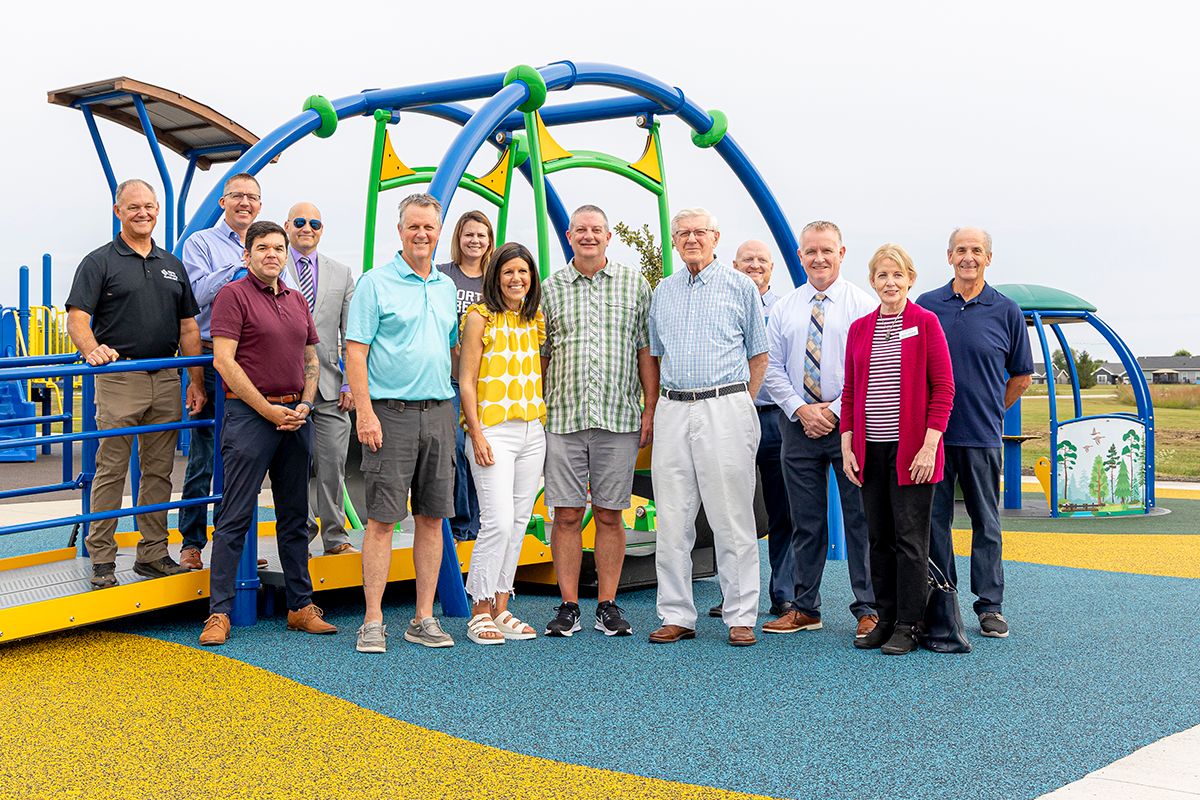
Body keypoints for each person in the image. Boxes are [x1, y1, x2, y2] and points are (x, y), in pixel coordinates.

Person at [198, 220, 337, 645]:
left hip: (296, 415)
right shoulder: (232, 296)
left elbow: (310, 356)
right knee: (234, 515)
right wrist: (268, 410)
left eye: (279, 248)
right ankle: (218, 613)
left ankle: (299, 605)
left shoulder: (296, 300)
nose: (272, 254)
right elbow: (224, 360)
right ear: (247, 254)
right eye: (263, 248)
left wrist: (305, 405)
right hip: (250, 416)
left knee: (295, 517)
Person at [65, 179, 205, 589]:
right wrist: (91, 349)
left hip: (166, 376)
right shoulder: (100, 261)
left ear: (158, 209)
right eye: (133, 207)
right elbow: (77, 317)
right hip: (120, 376)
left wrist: (195, 381)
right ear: (117, 211)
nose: (142, 213)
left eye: (148, 206)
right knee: (111, 469)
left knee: (159, 471)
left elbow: (188, 326)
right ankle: (102, 560)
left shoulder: (171, 263)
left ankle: (153, 554)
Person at [647, 207, 766, 647]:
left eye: (700, 232)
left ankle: (740, 615)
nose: (692, 239)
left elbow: (759, 356)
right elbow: (656, 357)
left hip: (725, 405)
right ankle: (677, 614)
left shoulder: (740, 287)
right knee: (673, 519)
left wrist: (738, 405)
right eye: (684, 233)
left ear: (716, 238)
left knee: (731, 517)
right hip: (674, 407)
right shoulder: (663, 291)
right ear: (674, 241)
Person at [346, 193, 459, 653]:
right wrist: (366, 412)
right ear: (400, 231)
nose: (422, 234)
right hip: (390, 415)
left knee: (432, 519)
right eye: (413, 226)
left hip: (440, 413)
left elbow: (452, 349)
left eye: (429, 227)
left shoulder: (447, 287)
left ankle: (423, 618)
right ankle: (373, 620)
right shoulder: (375, 283)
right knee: (381, 520)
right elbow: (356, 350)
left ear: (437, 231)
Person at [540, 204, 656, 638]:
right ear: (569, 236)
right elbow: (544, 355)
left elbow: (646, 350)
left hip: (618, 417)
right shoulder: (550, 288)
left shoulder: (634, 285)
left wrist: (649, 408)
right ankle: (568, 604)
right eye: (580, 230)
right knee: (566, 514)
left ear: (609, 237)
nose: (588, 236)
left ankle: (607, 603)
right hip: (564, 417)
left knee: (611, 515)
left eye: (597, 230)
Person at [762, 221, 880, 642]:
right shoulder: (784, 308)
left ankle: (869, 609)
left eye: (826, 250)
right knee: (805, 521)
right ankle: (804, 608)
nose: (819, 258)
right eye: (810, 251)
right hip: (796, 426)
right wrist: (800, 409)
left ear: (842, 253)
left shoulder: (863, 305)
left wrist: (830, 411)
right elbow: (771, 369)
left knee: (860, 520)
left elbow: (867, 368)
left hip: (849, 425)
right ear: (800, 256)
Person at [916, 227, 1033, 638]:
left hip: (982, 435)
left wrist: (991, 409)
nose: (969, 257)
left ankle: (990, 606)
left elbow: (1021, 375)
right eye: (961, 250)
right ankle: (942, 601)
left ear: (988, 257)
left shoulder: (1007, 311)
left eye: (977, 250)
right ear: (949, 256)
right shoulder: (927, 306)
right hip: (933, 437)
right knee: (934, 521)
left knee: (986, 521)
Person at [841, 245, 955, 654]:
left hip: (913, 455)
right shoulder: (860, 329)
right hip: (869, 450)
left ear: (910, 279)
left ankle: (909, 622)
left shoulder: (926, 323)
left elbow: (944, 389)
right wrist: (847, 445)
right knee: (878, 539)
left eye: (897, 275)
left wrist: (928, 447)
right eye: (882, 276)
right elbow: (851, 391)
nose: (890, 283)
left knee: (910, 541)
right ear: (872, 281)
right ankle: (885, 617)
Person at [178, 172, 269, 570]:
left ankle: (239, 543)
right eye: (237, 196)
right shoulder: (201, 243)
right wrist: (240, 267)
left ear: (260, 205)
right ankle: (192, 541)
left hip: (253, 359)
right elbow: (196, 295)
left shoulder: (265, 243)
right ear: (223, 201)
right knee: (204, 453)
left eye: (252, 197)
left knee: (246, 455)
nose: (244, 203)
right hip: (214, 357)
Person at [458, 242, 546, 645]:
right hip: (493, 431)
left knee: (517, 522)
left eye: (523, 272)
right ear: (495, 276)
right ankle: (478, 607)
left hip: (532, 430)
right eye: (508, 271)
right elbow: (467, 380)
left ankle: (501, 604)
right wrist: (475, 432)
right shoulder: (479, 317)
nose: (516, 279)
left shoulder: (534, 319)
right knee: (495, 520)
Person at [714, 239, 796, 618]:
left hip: (775, 417)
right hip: (731, 416)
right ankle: (733, 592)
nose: (755, 265)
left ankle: (784, 594)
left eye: (762, 260)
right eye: (747, 259)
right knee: (731, 509)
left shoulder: (784, 308)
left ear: (772, 268)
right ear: (734, 264)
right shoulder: (721, 302)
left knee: (783, 510)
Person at [282, 203, 359, 557]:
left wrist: (350, 384)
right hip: (284, 384)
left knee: (332, 464)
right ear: (287, 226)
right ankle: (300, 534)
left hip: (330, 385)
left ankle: (335, 535)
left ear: (322, 228)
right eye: (299, 222)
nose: (306, 228)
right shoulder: (272, 266)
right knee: (292, 468)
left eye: (314, 223)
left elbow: (352, 333)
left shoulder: (342, 273)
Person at [437, 211, 493, 543]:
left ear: (489, 241)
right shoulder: (444, 275)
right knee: (455, 449)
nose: (474, 241)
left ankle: (476, 524)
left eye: (481, 235)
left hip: (484, 379)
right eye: (468, 234)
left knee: (478, 448)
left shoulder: (493, 280)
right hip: (448, 377)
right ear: (458, 238)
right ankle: (460, 521)